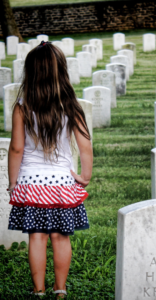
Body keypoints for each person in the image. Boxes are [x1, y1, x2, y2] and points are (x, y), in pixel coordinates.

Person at [7, 41, 93, 299]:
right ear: (62, 72)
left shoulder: (23, 106)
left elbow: (16, 149)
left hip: (32, 183)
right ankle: (60, 289)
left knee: (37, 237)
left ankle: (38, 290)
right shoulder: (71, 105)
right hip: (62, 184)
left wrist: (13, 182)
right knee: (60, 237)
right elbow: (85, 145)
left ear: (31, 73)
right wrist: (85, 176)